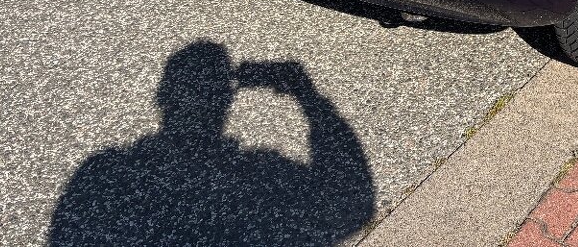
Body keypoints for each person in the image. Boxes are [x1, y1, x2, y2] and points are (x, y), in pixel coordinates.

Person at [48, 41, 373, 246]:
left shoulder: (102, 172)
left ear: (161, 96)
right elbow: (351, 201)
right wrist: (307, 96)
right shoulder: (259, 173)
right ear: (228, 98)